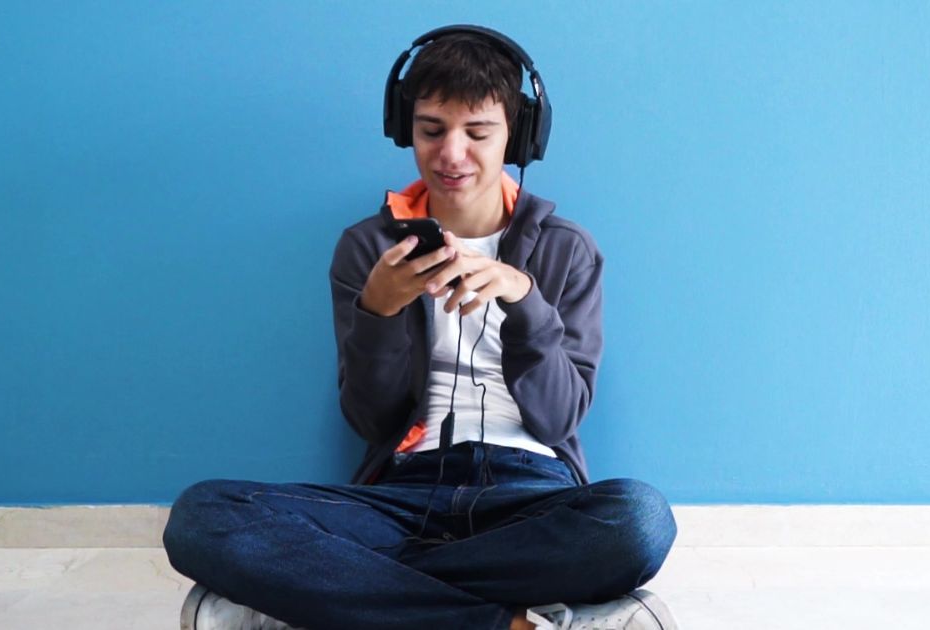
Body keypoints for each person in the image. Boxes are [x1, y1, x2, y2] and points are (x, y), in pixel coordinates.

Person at [163, 25, 678, 630]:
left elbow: (560, 420)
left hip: (530, 493)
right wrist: (378, 312)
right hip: (403, 490)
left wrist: (527, 301)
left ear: (518, 135)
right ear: (404, 128)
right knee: (204, 516)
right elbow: (371, 421)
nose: (451, 154)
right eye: (431, 130)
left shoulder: (568, 250)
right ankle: (508, 621)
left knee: (639, 521)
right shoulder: (366, 247)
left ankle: (334, 599)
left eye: (477, 133)